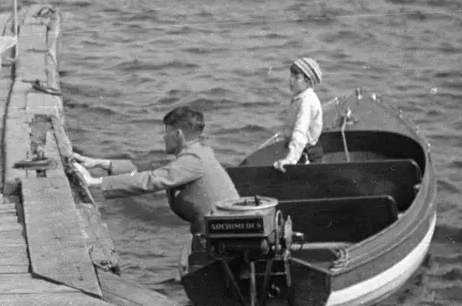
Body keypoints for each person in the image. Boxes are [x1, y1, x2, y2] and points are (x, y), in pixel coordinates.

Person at [71, 105, 240, 235]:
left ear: (178, 134)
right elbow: (151, 168)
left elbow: (153, 180)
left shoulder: (193, 160)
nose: (164, 137)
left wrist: (94, 182)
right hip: (215, 228)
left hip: (221, 232)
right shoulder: (199, 152)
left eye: (167, 132)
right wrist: (98, 163)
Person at [271, 57, 325, 171]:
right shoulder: (299, 98)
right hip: (301, 149)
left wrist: (290, 159)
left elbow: (300, 131)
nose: (291, 80)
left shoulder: (306, 103)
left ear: (309, 81)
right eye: (291, 76)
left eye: (297, 77)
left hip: (307, 152)